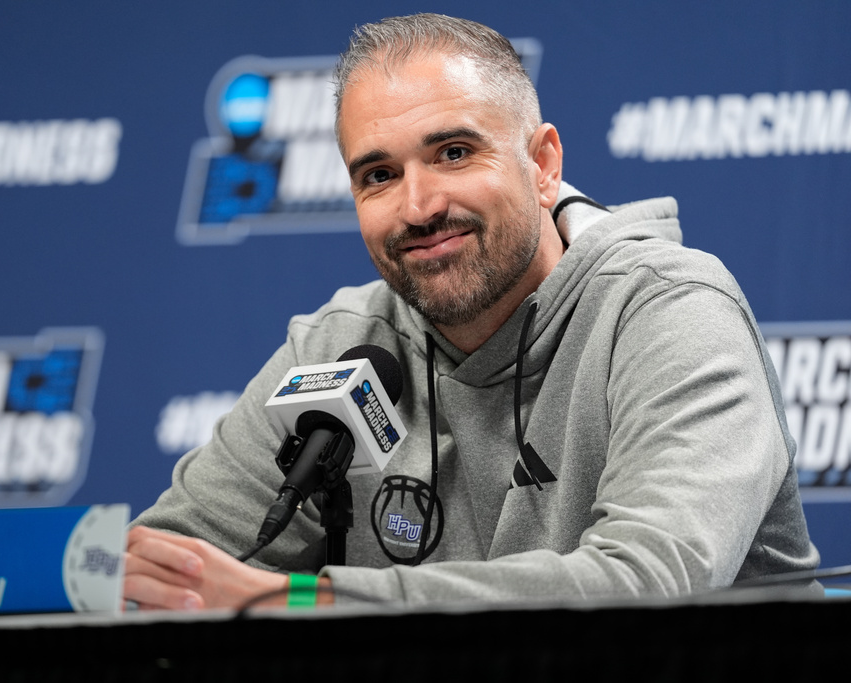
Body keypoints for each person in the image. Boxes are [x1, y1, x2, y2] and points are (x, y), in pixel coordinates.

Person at [124, 13, 819, 610]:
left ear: (543, 164)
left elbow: (646, 586)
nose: (419, 206)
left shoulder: (670, 310)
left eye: (453, 153)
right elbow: (157, 572)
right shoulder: (340, 345)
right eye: (379, 175)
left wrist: (304, 601)